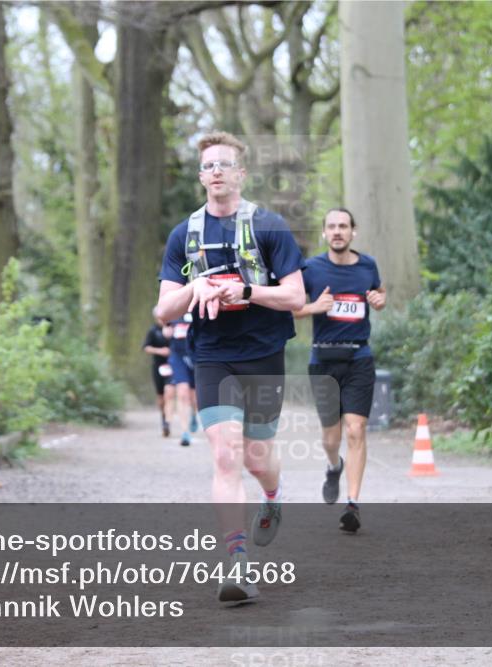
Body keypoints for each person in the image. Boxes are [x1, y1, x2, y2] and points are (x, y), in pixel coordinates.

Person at [155, 131, 305, 605]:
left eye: (225, 164)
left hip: (262, 353)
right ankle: (236, 565)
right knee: (225, 453)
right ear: (200, 177)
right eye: (208, 166)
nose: (216, 171)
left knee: (257, 458)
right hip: (212, 355)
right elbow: (163, 311)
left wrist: (248, 292)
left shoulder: (270, 226)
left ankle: (274, 496)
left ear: (241, 173)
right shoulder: (185, 235)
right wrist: (194, 286)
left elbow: (297, 298)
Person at [293, 208, 386, 533]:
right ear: (324, 233)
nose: (337, 231)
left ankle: (353, 504)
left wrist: (379, 300)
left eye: (343, 226)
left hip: (359, 359)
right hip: (323, 362)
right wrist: (313, 308)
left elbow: (379, 292)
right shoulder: (311, 269)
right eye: (331, 226)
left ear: (353, 232)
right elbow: (289, 308)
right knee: (331, 438)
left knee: (356, 430)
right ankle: (334, 465)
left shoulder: (367, 265)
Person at [167, 313, 199, 447]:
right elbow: (166, 331)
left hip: (197, 356)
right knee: (182, 392)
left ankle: (193, 414)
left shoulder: (199, 309)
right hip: (178, 358)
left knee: (195, 398)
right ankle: (185, 432)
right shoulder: (175, 313)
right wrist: (167, 327)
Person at [143, 312, 174, 437]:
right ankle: (164, 419)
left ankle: (168, 421)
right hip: (158, 367)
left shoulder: (174, 328)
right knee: (161, 396)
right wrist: (160, 351)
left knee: (169, 393)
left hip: (173, 366)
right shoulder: (153, 331)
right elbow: (146, 347)